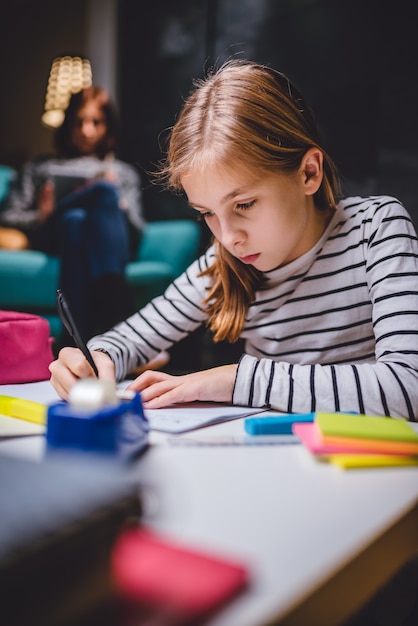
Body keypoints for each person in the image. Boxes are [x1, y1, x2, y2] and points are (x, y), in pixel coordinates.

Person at [49, 59, 418, 421]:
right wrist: (96, 358)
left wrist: (234, 378)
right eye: (208, 212)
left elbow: (408, 387)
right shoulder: (225, 263)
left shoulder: (376, 227)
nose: (227, 237)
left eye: (244, 204)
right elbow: (127, 340)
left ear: (309, 173)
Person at [0, 85, 145, 343]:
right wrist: (42, 216)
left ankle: (73, 343)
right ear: (68, 125)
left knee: (75, 219)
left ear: (107, 127)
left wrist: (117, 207)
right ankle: (117, 318)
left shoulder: (122, 173)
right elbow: (9, 215)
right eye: (79, 122)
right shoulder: (40, 167)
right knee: (99, 193)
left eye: (96, 122)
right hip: (50, 237)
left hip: (103, 241)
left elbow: (136, 231)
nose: (86, 131)